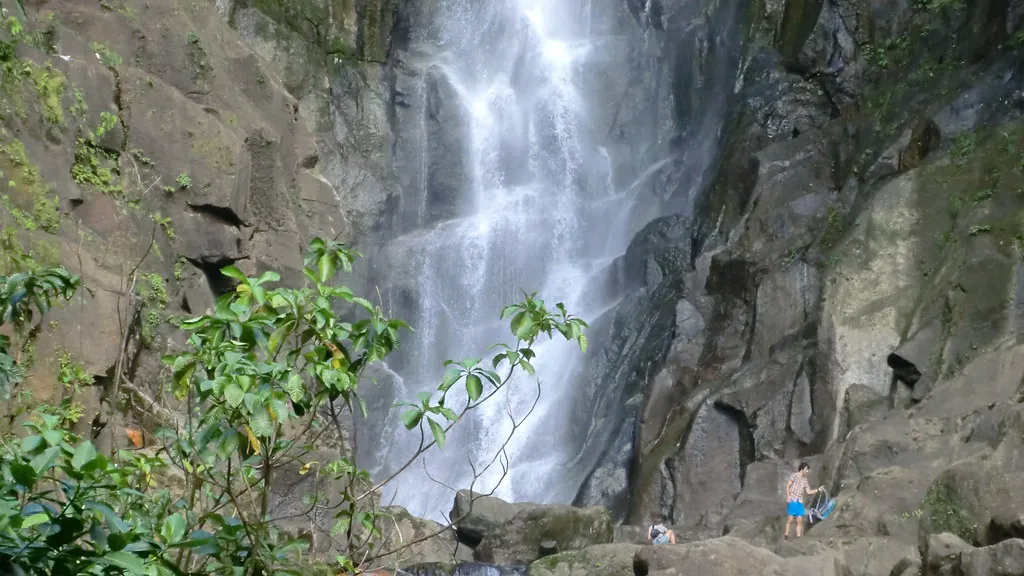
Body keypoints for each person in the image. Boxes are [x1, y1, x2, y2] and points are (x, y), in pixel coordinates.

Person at [783, 462, 823, 539]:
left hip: (799, 501)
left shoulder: (805, 480)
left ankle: (798, 537)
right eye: (806, 469)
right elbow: (788, 485)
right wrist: (788, 496)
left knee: (799, 520)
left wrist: (818, 490)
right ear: (802, 469)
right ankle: (786, 535)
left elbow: (808, 491)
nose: (807, 471)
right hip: (792, 499)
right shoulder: (794, 475)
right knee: (790, 519)